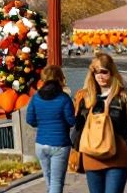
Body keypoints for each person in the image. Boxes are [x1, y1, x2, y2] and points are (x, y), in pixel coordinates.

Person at [71, 52, 127, 193]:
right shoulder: (84, 97)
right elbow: (78, 125)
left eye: (104, 72)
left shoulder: (123, 97)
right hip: (91, 154)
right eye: (96, 72)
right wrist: (76, 145)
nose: (100, 76)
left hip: (118, 155)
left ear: (112, 72)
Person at [25, 64, 75, 193]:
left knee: (48, 180)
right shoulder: (64, 98)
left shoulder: (36, 98)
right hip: (60, 144)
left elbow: (30, 119)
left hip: (41, 143)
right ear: (60, 78)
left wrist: (42, 124)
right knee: (56, 183)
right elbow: (71, 121)